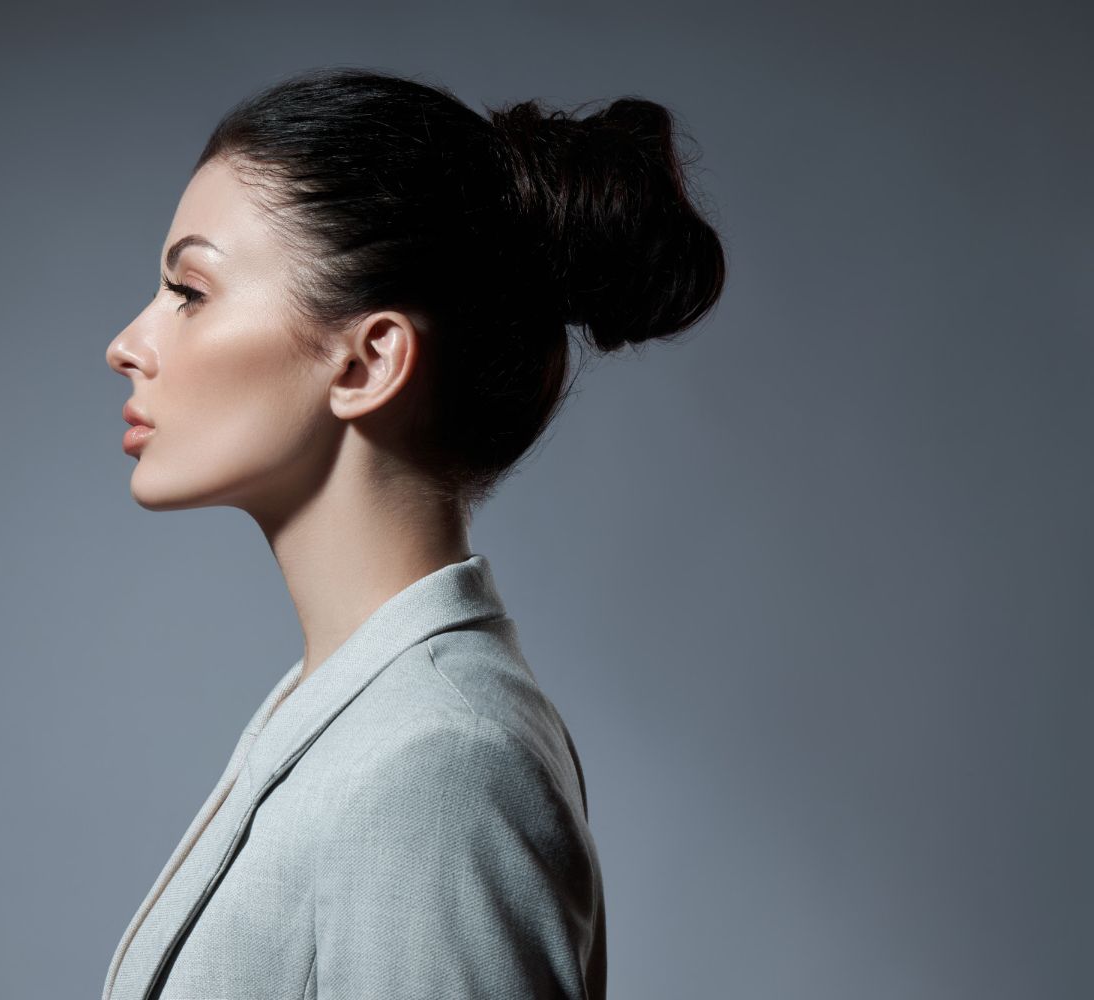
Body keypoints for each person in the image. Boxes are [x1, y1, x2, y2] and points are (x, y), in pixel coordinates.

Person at [101, 67, 725, 1000]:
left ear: (368, 361)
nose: (127, 343)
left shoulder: (438, 765)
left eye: (189, 291)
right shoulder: (356, 716)